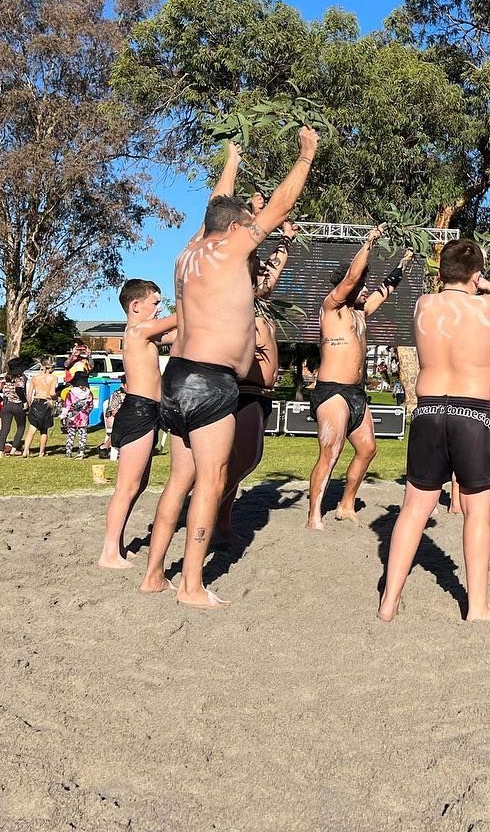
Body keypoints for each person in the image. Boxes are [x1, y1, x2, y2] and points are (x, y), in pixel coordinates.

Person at [140, 130, 319, 608]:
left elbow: (213, 205)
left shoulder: (187, 254)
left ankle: (154, 573)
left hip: (176, 376)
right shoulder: (230, 250)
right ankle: (191, 585)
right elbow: (278, 207)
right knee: (212, 479)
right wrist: (305, 156)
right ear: (237, 226)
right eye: (246, 224)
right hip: (211, 379)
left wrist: (232, 159)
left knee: (179, 479)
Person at [377, 239, 490, 623]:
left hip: (428, 410)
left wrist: (469, 279)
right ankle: (477, 606)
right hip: (472, 412)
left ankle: (389, 600)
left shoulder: (424, 304)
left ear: (441, 273)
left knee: (413, 509)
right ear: (474, 276)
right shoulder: (485, 306)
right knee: (477, 511)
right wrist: (488, 284)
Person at [306, 228, 413, 527]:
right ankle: (314, 514)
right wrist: (369, 243)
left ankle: (346, 504)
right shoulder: (331, 308)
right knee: (331, 451)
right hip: (332, 392)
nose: (366, 288)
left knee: (367, 450)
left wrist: (405, 260)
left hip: (356, 394)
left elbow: (387, 289)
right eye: (362, 283)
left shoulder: (360, 313)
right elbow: (353, 278)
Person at [218, 221, 295, 540]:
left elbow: (273, 272)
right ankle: (208, 510)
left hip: (262, 393)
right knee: (245, 459)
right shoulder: (238, 302)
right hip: (245, 392)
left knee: (238, 461)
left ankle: (220, 521)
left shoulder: (260, 302)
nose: (265, 272)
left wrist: (286, 243)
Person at [97, 279, 178, 569]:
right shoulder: (138, 329)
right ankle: (108, 553)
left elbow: (179, 333)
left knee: (139, 484)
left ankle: (116, 544)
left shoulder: (147, 335)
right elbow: (182, 318)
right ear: (135, 306)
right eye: (155, 303)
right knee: (127, 486)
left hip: (150, 411)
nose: (159, 309)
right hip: (139, 411)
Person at [23, 363, 58, 457]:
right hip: (46, 402)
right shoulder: (53, 378)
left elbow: (29, 394)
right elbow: (52, 393)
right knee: (44, 429)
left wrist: (29, 405)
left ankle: (26, 450)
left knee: (32, 428)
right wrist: (57, 397)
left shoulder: (34, 378)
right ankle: (41, 452)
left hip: (36, 402)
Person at [0, 360, 29, 456]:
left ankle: (1, 450)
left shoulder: (5, 377)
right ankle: (13, 450)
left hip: (6, 405)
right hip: (17, 404)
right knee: (21, 427)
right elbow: (19, 390)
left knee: (5, 428)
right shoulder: (21, 378)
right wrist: (25, 402)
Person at [60, 372, 94, 458]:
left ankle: (68, 451)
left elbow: (66, 406)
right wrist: (86, 413)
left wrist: (63, 416)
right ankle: (81, 452)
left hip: (72, 417)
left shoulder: (71, 393)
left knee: (71, 434)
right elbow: (91, 406)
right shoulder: (89, 393)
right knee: (82, 434)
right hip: (83, 417)